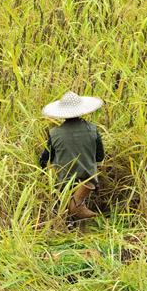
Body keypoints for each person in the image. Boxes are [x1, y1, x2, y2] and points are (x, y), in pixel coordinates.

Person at [38, 91, 105, 220]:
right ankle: (80, 213)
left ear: (62, 113)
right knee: (78, 210)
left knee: (69, 212)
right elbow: (99, 157)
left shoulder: (54, 133)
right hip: (88, 181)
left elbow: (44, 160)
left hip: (64, 183)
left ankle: (71, 219)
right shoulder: (92, 129)